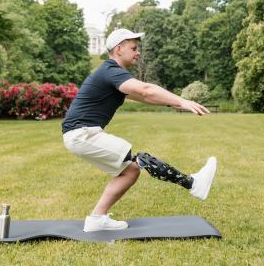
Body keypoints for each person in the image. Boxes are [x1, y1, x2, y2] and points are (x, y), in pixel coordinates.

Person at [62, 28, 217, 232]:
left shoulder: (112, 74)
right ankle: (193, 184)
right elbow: (146, 90)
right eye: (134, 48)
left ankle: (96, 218)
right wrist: (182, 100)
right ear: (119, 49)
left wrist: (176, 104)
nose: (138, 53)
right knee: (141, 160)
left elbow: (144, 97)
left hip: (80, 135)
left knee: (131, 170)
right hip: (82, 134)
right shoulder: (111, 71)